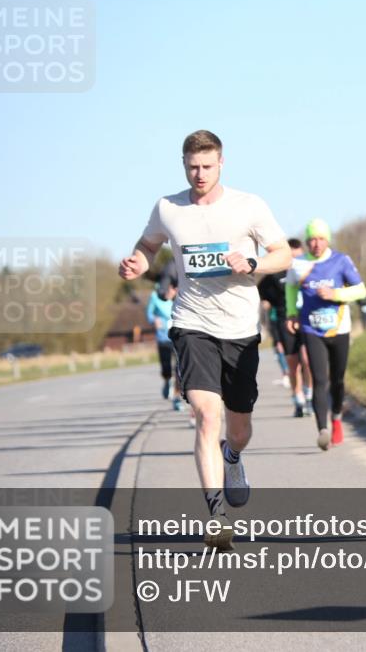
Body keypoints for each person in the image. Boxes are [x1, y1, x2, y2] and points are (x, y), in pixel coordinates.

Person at [119, 130, 291, 549]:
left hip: (240, 329)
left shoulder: (248, 206)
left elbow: (283, 253)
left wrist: (252, 262)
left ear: (221, 163)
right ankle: (216, 514)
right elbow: (148, 243)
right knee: (205, 414)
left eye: (207, 166)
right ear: (183, 164)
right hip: (191, 323)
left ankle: (232, 458)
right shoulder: (168, 208)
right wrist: (137, 262)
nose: (200, 174)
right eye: (193, 166)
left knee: (239, 428)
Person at [285, 218, 366, 450]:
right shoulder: (298, 264)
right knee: (319, 379)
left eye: (320, 239)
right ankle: (322, 429)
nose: (316, 244)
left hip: (339, 328)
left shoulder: (341, 261)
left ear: (327, 239)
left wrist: (336, 294)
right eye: (311, 239)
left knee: (338, 379)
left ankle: (337, 418)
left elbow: (361, 290)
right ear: (306, 242)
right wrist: (292, 313)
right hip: (311, 328)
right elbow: (290, 287)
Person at [260, 238, 314, 417]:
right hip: (285, 321)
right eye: (293, 257)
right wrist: (267, 305)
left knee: (307, 360)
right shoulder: (275, 275)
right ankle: (297, 398)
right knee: (293, 364)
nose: (296, 261)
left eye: (299, 257)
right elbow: (261, 293)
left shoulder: (309, 269)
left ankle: (309, 395)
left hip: (307, 318)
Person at [146, 276, 183, 411]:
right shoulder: (155, 297)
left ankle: (177, 398)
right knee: (166, 368)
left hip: (179, 337)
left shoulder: (181, 294)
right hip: (163, 337)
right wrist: (154, 320)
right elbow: (149, 313)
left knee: (179, 369)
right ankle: (167, 381)